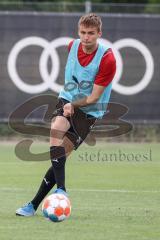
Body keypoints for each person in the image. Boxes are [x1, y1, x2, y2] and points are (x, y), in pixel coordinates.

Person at [16, 13, 116, 216]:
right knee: (57, 127)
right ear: (78, 32)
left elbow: (94, 97)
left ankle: (34, 204)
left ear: (99, 33)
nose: (86, 37)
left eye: (91, 33)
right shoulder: (72, 46)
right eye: (83, 33)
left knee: (61, 155)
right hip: (66, 98)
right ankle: (61, 190)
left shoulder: (107, 59)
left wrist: (74, 104)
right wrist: (68, 103)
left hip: (89, 110)